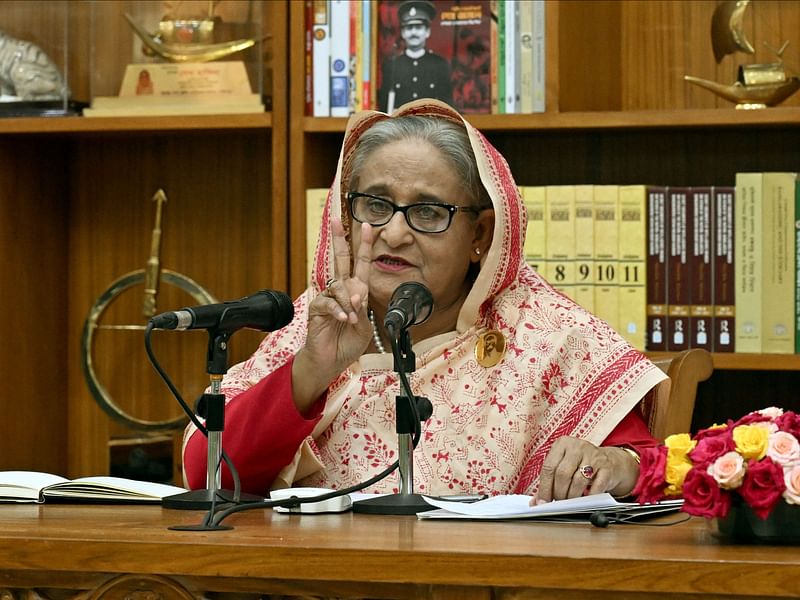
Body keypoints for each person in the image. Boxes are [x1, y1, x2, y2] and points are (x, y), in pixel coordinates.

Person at [183, 99, 667, 503]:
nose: (394, 233)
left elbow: (652, 469)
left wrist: (612, 466)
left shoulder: (547, 335)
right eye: (375, 206)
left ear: (480, 233)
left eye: (427, 211)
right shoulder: (317, 320)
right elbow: (206, 476)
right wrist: (311, 372)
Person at [377, 1, 452, 113]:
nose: (413, 32)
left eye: (418, 27)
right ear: (402, 32)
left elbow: (447, 106)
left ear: (427, 31)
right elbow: (384, 107)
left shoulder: (439, 64)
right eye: (409, 28)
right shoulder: (391, 66)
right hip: (400, 127)